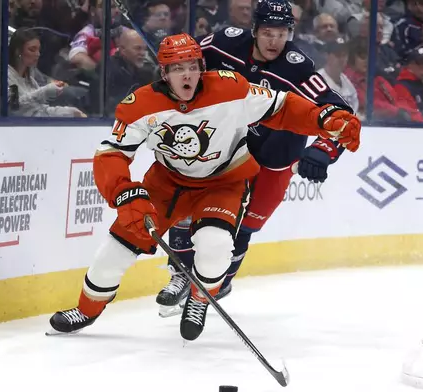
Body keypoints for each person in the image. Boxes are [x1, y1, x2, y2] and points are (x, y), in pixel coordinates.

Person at [48, 33, 361, 341]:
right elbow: (112, 154)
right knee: (114, 252)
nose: (187, 75)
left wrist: (322, 119)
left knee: (215, 244)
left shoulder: (231, 88)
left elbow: (282, 107)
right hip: (166, 184)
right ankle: (86, 310)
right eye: (177, 68)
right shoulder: (139, 105)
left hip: (224, 182)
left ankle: (199, 300)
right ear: (163, 73)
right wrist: (124, 193)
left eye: (192, 66)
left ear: (202, 66)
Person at [155, 0, 355, 317]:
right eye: (267, 33)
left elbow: (341, 113)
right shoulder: (225, 42)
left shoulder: (297, 67)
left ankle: (211, 289)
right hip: (228, 147)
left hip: (275, 157)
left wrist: (323, 149)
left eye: (281, 33)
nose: (274, 41)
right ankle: (181, 273)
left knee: (243, 229)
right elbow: (189, 61)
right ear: (254, 30)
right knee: (187, 200)